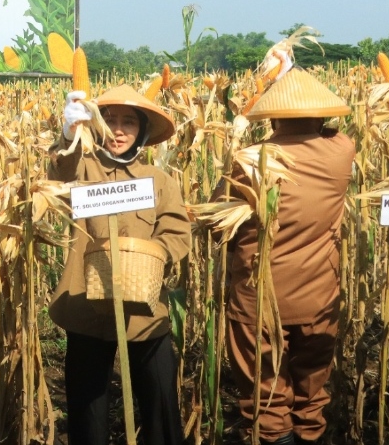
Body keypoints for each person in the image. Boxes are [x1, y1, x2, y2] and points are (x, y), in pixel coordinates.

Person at [48, 86, 190, 445]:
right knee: (88, 408)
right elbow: (56, 176)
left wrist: (151, 254)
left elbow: (176, 233)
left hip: (145, 313)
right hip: (87, 304)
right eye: (109, 121)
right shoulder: (82, 166)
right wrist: (68, 135)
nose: (119, 130)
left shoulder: (159, 181)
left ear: (142, 132)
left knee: (161, 404)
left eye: (129, 122)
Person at [224, 68, 354, 445]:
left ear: (273, 116)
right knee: (311, 392)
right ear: (322, 115)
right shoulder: (341, 152)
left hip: (259, 299)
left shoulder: (250, 159)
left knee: (265, 394)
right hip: (318, 298)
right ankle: (310, 435)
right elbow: (334, 131)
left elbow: (223, 223)